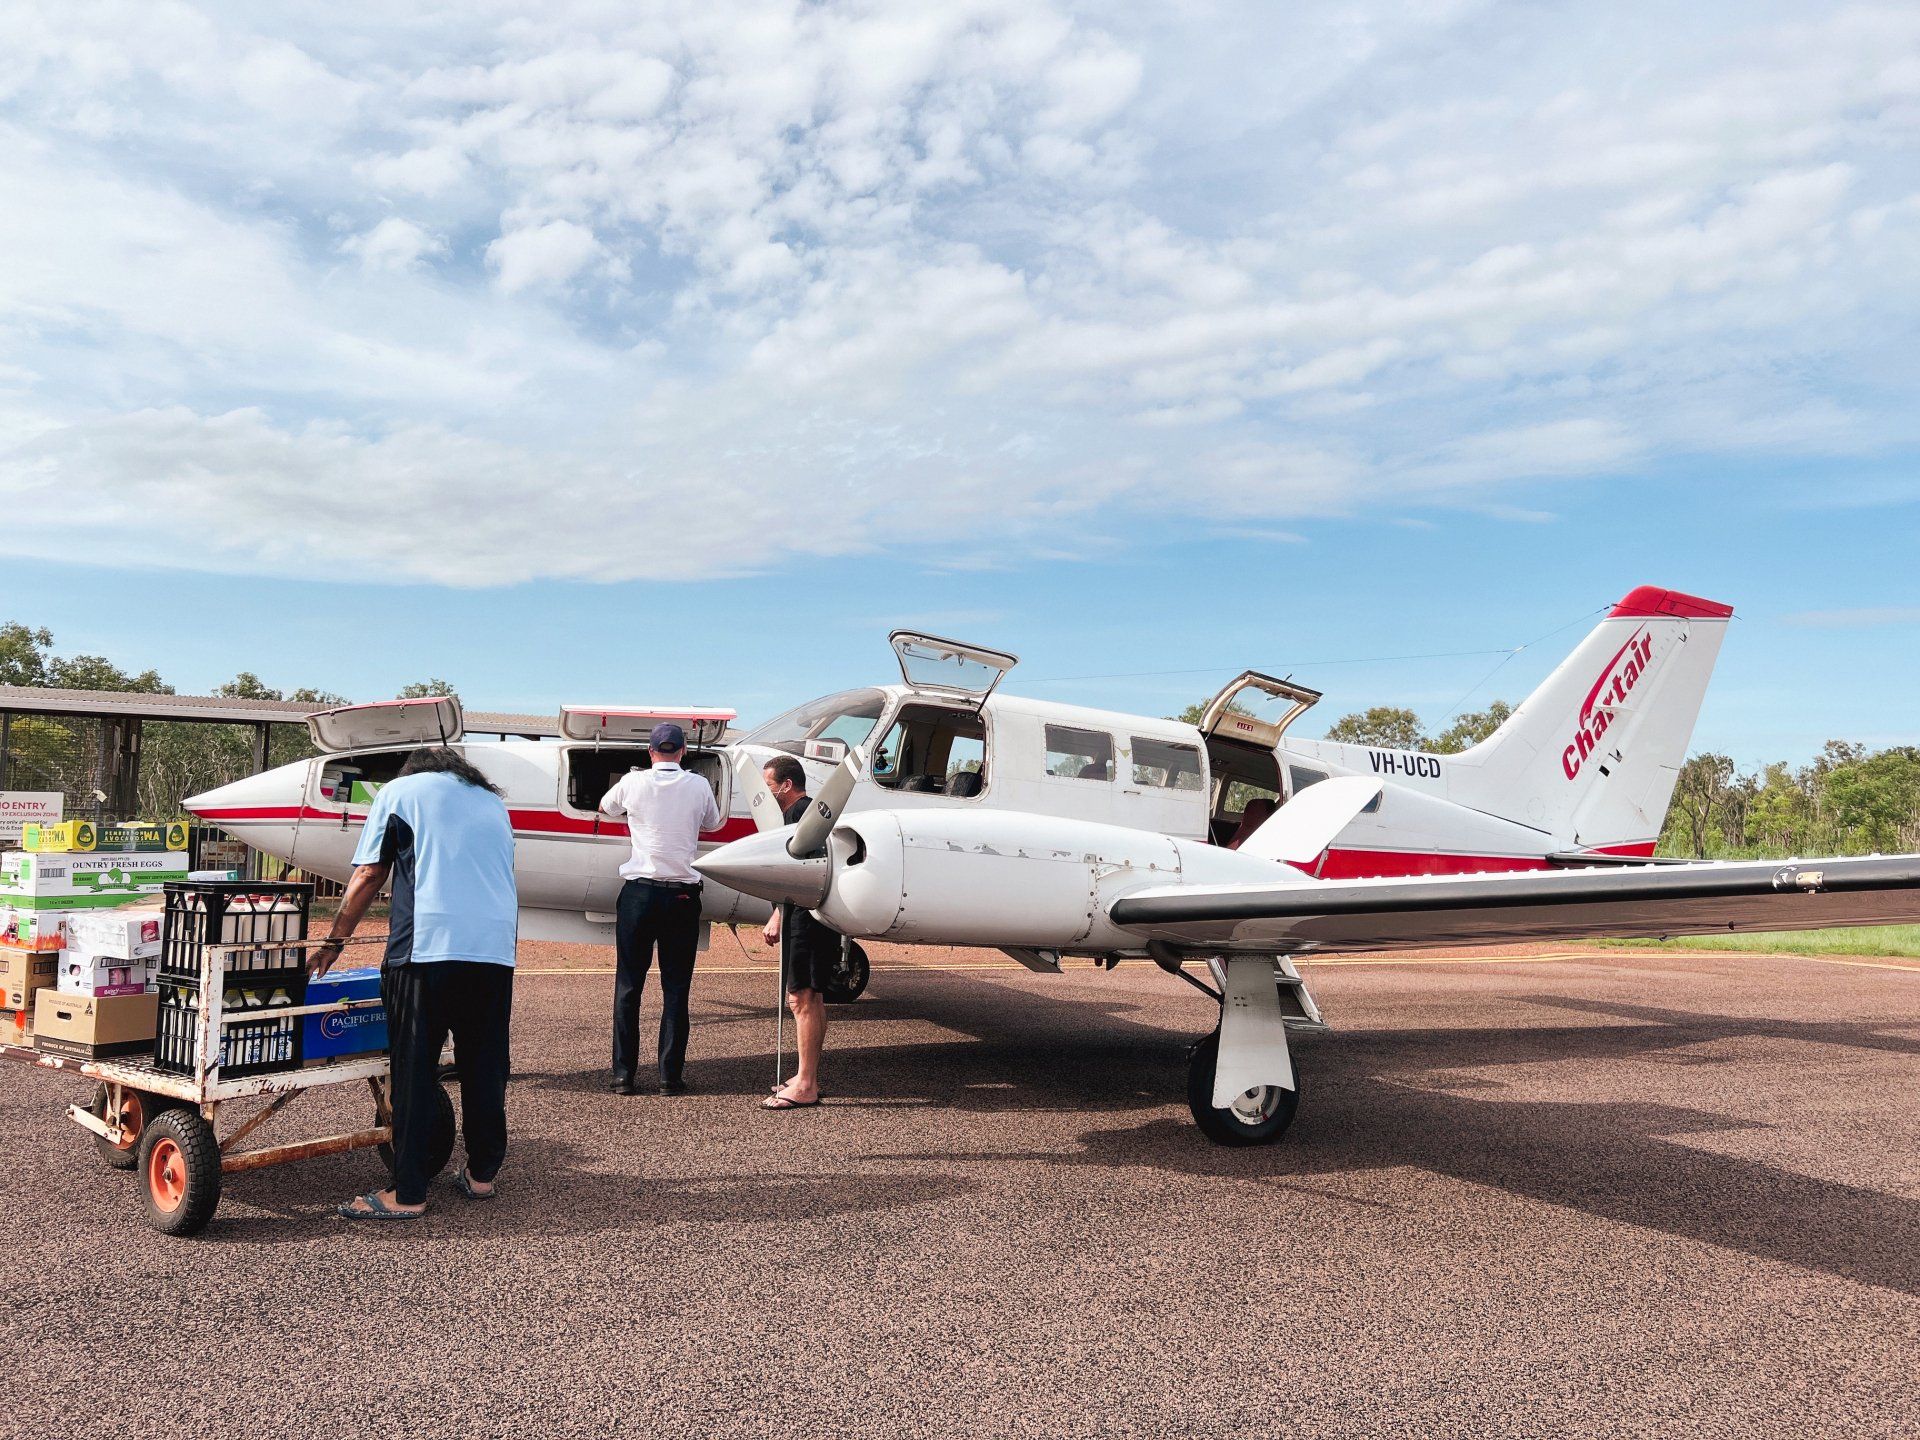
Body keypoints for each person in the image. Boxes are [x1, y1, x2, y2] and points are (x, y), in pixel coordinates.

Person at [312, 746, 518, 1221]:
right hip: (493, 952)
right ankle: (482, 1175)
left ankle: (407, 1194)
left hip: (424, 950)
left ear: (413, 771)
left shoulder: (399, 792)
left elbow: (369, 873)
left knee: (413, 1070)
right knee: (485, 1067)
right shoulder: (493, 804)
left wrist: (334, 941)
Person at [600, 722, 721, 1095]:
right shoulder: (699, 785)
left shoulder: (633, 782)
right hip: (682, 897)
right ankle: (670, 1076)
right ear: (683, 751)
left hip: (639, 894)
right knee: (676, 988)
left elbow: (606, 807)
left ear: (651, 752)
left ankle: (624, 1075)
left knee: (629, 986)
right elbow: (714, 823)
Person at [760, 754, 837, 1111]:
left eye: (771, 786)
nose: (768, 793)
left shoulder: (798, 815)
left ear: (787, 785)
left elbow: (801, 872)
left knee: (801, 999)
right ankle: (805, 1075)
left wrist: (778, 913)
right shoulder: (809, 813)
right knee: (813, 998)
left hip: (804, 920)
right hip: (815, 919)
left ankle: (806, 1084)